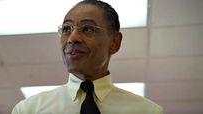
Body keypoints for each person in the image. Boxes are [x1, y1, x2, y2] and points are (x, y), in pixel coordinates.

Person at [12, 0, 163, 114]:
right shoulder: (27, 110)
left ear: (114, 42)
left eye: (88, 29)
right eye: (66, 29)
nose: (72, 38)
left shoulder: (147, 111)